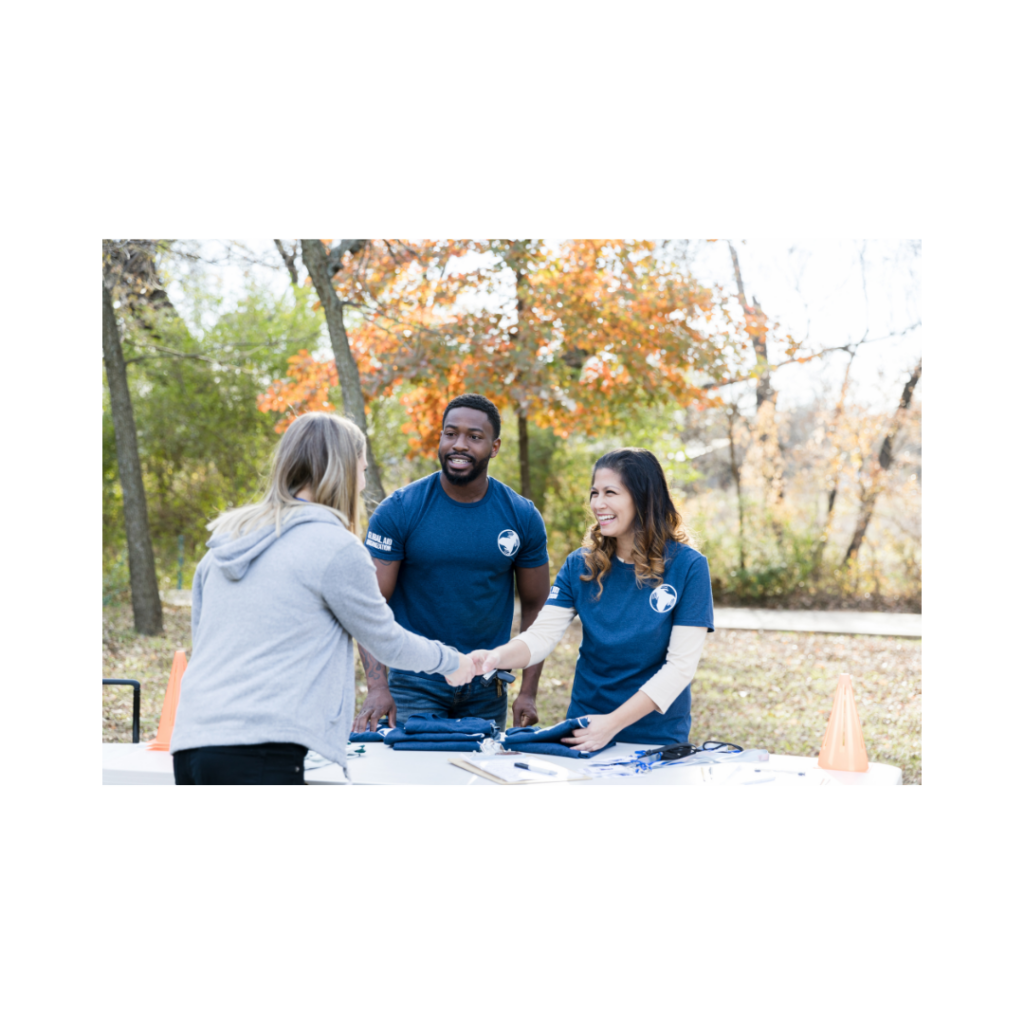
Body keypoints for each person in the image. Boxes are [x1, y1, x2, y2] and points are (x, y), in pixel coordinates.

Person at [170, 412, 477, 785]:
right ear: (344, 472)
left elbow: (203, 643)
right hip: (261, 745)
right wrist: (452, 662)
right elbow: (386, 641)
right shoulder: (334, 547)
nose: (363, 484)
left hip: (191, 741)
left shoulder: (226, 540)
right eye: (362, 471)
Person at [473, 447, 714, 753]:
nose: (598, 504)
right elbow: (541, 636)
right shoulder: (580, 565)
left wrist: (612, 723)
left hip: (656, 737)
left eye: (610, 492)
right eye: (594, 493)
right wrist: (496, 657)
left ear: (642, 498)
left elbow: (680, 667)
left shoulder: (688, 567)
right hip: (585, 730)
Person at [354, 394, 551, 734]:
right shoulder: (400, 509)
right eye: (450, 433)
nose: (459, 444)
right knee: (417, 782)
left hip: (487, 685)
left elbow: (537, 605)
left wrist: (528, 692)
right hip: (415, 683)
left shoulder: (521, 516)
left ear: (494, 446)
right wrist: (378, 687)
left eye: (474, 437)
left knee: (478, 782)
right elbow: (370, 602)